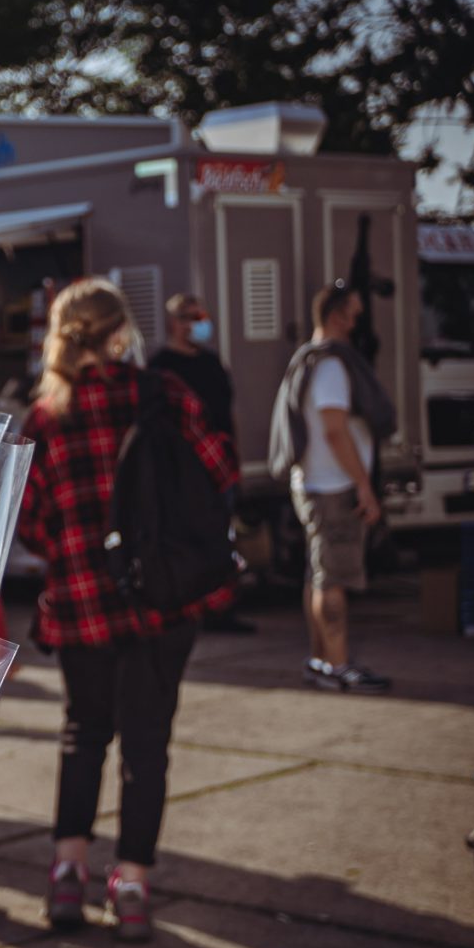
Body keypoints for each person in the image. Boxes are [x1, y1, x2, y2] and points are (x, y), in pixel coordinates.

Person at [21, 280, 237, 943]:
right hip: (163, 599)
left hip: (83, 601)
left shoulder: (45, 414)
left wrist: (78, 546)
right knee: (147, 745)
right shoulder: (164, 394)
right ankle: (133, 884)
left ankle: (66, 874)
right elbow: (221, 474)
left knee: (84, 733)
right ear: (120, 333)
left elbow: (29, 522)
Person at [271, 282, 395, 693]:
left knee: (319, 574)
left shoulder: (306, 359)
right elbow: (334, 430)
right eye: (356, 316)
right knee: (333, 580)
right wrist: (364, 485)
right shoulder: (331, 366)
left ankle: (322, 661)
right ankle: (337, 666)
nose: (358, 325)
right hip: (333, 487)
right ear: (338, 316)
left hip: (313, 483)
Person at [150, 294, 255, 635]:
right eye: (190, 317)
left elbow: (230, 413)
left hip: (218, 470)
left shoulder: (211, 364)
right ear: (174, 323)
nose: (198, 323)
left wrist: (234, 461)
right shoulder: (161, 368)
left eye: (201, 315)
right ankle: (189, 607)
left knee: (221, 541)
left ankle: (222, 608)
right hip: (182, 476)